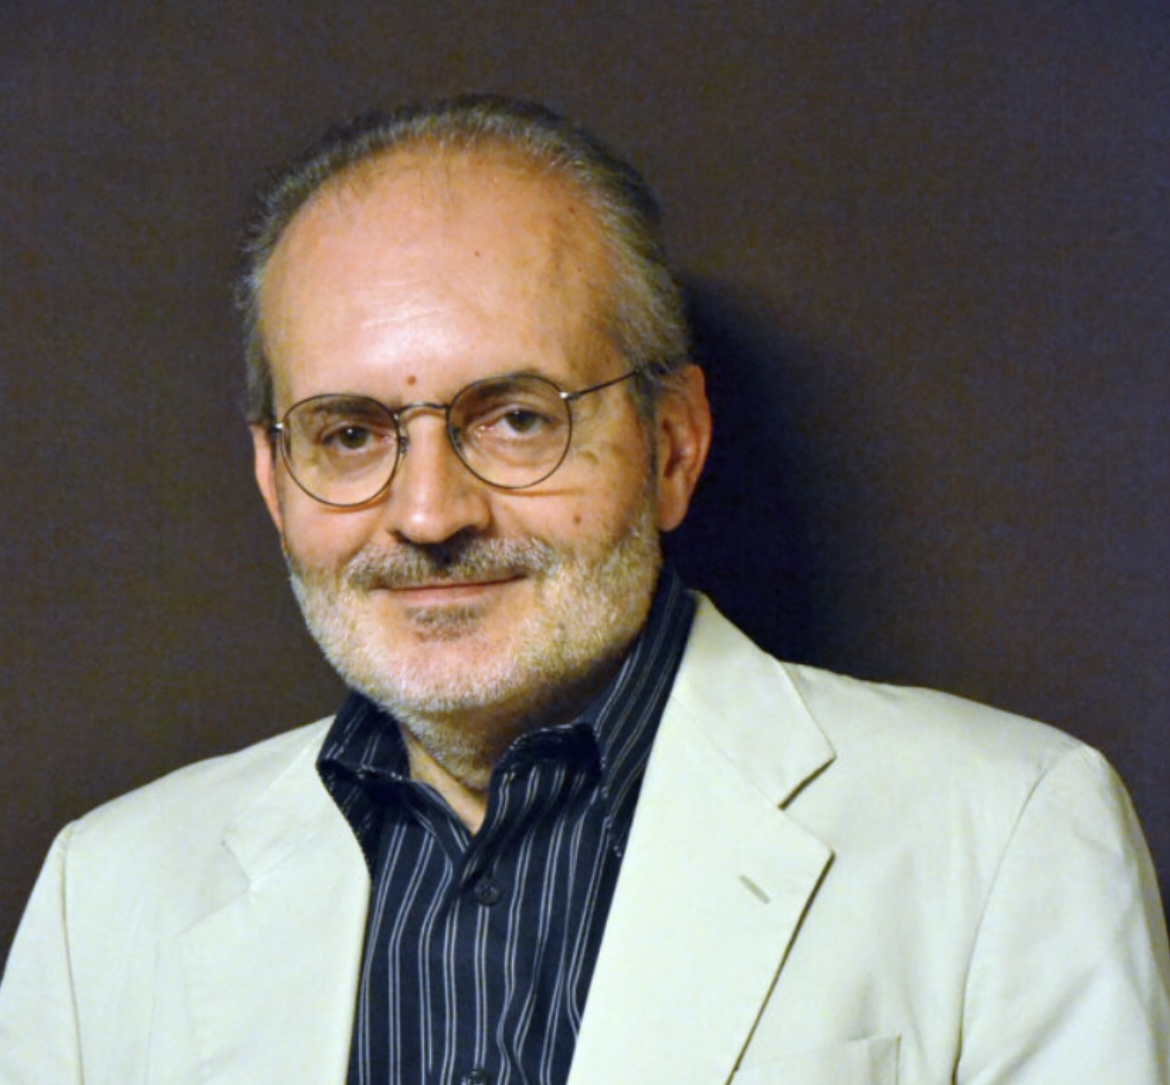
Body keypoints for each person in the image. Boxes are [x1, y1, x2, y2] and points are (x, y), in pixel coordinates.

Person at [0, 94, 1167, 1085]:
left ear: (673, 444)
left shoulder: (1004, 838)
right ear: (274, 480)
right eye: (350, 432)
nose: (429, 514)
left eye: (515, 418)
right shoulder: (103, 899)